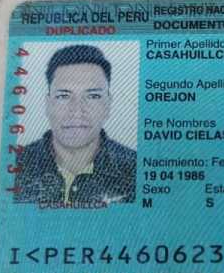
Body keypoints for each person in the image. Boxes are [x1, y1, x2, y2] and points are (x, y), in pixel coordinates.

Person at [15, 44, 136, 207]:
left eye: (92, 96)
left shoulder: (136, 170)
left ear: (108, 105)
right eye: (63, 96)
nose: (77, 111)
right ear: (48, 104)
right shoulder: (14, 167)